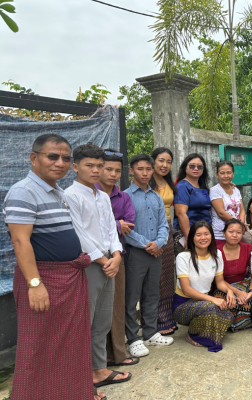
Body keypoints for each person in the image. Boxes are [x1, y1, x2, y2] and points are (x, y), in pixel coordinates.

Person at [5, 134, 99, 400]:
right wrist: (35, 284)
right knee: (39, 348)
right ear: (34, 158)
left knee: (68, 346)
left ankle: (70, 392)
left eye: (66, 158)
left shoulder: (57, 190)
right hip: (44, 281)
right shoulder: (23, 191)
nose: (60, 162)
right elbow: (20, 241)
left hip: (68, 279)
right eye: (52, 156)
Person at [64, 144, 129, 390]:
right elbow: (78, 234)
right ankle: (82, 375)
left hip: (109, 261)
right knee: (86, 321)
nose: (96, 170)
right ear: (75, 167)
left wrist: (116, 255)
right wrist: (105, 261)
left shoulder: (102, 196)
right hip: (89, 264)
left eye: (99, 166)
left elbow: (112, 230)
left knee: (102, 320)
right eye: (89, 165)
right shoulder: (70, 195)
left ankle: (99, 369)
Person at [123, 154, 173, 358]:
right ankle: (133, 338)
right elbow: (125, 228)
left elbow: (164, 224)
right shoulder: (125, 196)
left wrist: (159, 243)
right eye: (140, 169)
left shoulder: (156, 197)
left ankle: (150, 332)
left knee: (152, 293)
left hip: (156, 252)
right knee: (132, 296)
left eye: (148, 169)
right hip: (136, 252)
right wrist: (147, 245)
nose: (145, 173)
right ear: (131, 171)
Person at [95, 149, 137, 368]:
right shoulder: (88, 193)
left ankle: (118, 354)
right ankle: (98, 360)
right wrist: (116, 222)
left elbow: (128, 224)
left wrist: (117, 223)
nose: (112, 174)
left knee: (117, 306)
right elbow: (90, 225)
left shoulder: (124, 197)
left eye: (117, 171)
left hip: (117, 256)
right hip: (93, 259)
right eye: (108, 169)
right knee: (97, 311)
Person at [173, 221, 235, 351]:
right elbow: (187, 289)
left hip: (204, 301)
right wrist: (213, 299)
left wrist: (229, 291)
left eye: (206, 234)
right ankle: (193, 335)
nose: (203, 238)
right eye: (198, 235)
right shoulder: (183, 257)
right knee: (212, 308)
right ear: (192, 238)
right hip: (183, 305)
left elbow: (220, 282)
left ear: (211, 236)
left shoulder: (216, 254)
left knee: (229, 314)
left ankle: (203, 328)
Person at [149, 147, 179, 336]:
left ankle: (167, 317)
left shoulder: (169, 182)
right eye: (161, 160)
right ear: (153, 161)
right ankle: (153, 321)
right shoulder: (147, 181)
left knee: (168, 276)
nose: (165, 165)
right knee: (154, 279)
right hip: (151, 229)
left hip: (167, 229)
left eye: (168, 161)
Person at [214, 219, 252, 331]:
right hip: (223, 286)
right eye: (231, 231)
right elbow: (219, 281)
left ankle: (232, 323)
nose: (234, 235)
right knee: (224, 302)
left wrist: (251, 291)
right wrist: (237, 292)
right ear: (224, 233)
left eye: (238, 232)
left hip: (244, 283)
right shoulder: (216, 251)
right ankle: (233, 322)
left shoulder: (247, 248)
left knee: (247, 302)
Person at [173, 153, 212, 254]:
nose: (196, 168)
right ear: (185, 167)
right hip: (189, 232)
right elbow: (181, 213)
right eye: (192, 166)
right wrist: (189, 237)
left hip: (204, 233)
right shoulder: (182, 187)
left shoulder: (202, 186)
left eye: (199, 166)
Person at [210, 160, 245, 246]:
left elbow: (242, 210)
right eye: (222, 173)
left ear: (233, 174)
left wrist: (241, 226)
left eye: (229, 173)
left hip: (236, 234)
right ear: (217, 174)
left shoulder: (236, 190)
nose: (226, 176)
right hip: (220, 234)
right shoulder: (215, 190)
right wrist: (239, 225)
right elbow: (221, 213)